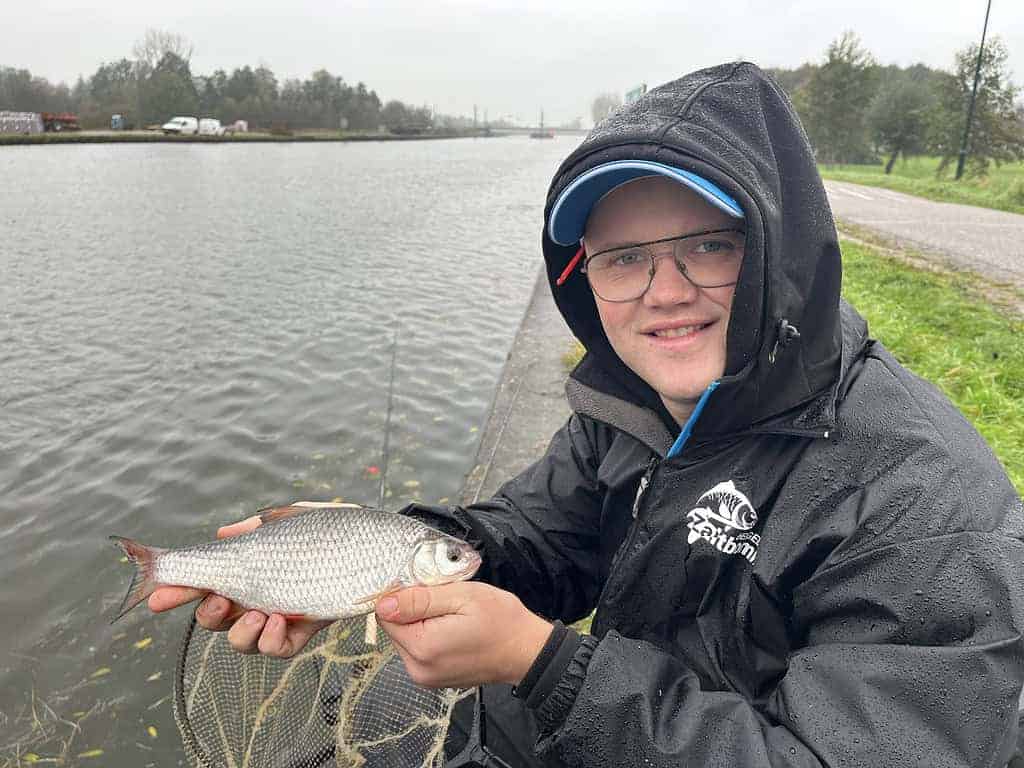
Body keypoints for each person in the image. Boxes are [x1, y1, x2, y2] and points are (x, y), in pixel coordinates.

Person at [150, 61, 1024, 767]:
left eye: (708, 246)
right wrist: (381, 555)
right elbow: (540, 538)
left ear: (778, 252)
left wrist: (546, 667)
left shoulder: (925, 506)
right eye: (624, 259)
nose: (664, 293)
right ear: (584, 278)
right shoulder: (635, 404)